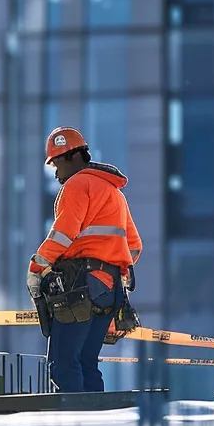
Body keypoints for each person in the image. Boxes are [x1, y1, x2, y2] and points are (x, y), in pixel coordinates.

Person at [27, 127, 142, 393]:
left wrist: (38, 266)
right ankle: (95, 424)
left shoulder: (78, 185)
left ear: (71, 157)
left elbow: (63, 234)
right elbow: (134, 247)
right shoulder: (115, 193)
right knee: (86, 362)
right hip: (110, 291)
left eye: (56, 164)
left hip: (82, 289)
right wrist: (111, 262)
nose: (55, 173)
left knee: (64, 363)